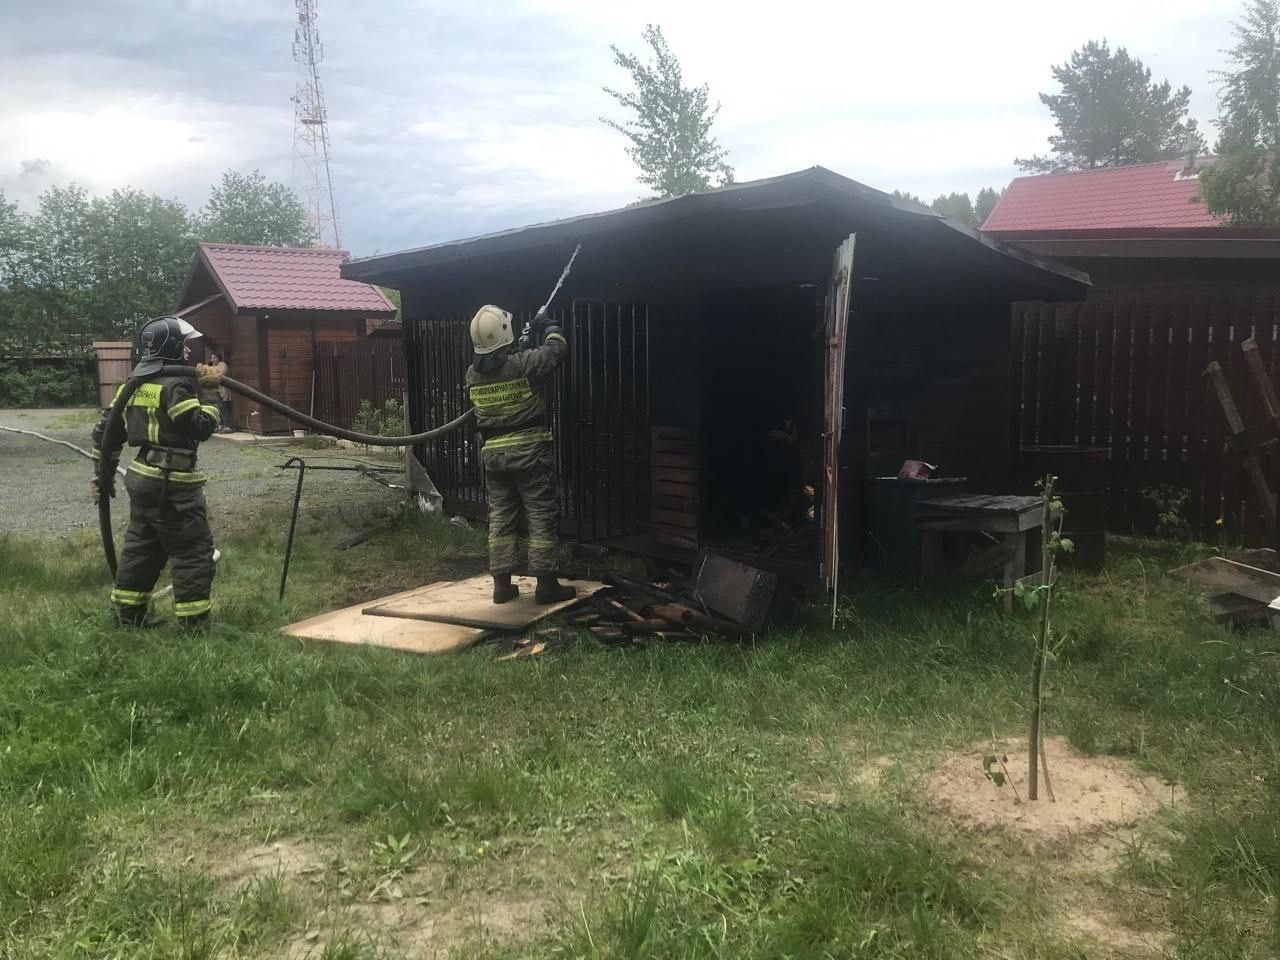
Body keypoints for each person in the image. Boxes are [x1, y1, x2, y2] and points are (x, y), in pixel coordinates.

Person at [92, 316, 224, 630]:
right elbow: (201, 426)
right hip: (174, 485)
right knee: (192, 552)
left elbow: (105, 434)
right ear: (174, 348)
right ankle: (194, 626)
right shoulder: (175, 386)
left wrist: (103, 475)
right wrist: (209, 392)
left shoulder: (131, 386)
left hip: (141, 479)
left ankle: (128, 617)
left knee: (142, 548)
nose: (190, 353)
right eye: (186, 346)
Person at [464, 304, 576, 605]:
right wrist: (548, 325)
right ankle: (546, 585)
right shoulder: (524, 364)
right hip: (530, 453)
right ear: (504, 333)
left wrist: (519, 346)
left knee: (500, 518)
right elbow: (556, 350)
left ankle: (501, 585)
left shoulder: (472, 375)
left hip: (494, 458)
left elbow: (500, 368)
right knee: (540, 515)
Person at [206, 350, 232, 432]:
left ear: (219, 358)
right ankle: (220, 425)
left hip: (224, 390)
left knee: (224, 407)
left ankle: (227, 426)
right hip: (216, 389)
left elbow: (221, 374)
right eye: (211, 357)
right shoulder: (212, 365)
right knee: (218, 407)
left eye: (215, 357)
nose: (213, 359)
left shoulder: (222, 365)